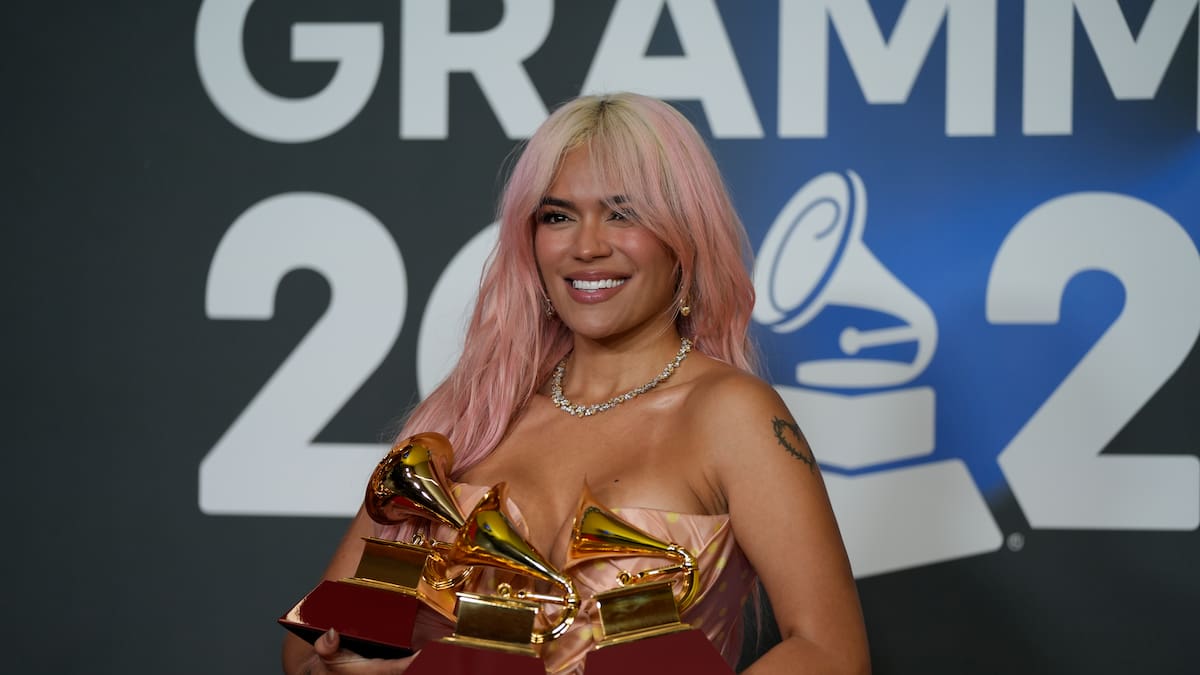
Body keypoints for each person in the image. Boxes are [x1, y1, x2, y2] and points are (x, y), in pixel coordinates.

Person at [282, 92, 870, 675]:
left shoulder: (732, 414)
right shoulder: (472, 409)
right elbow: (312, 644)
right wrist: (336, 666)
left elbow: (831, 653)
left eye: (624, 214)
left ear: (684, 238)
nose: (587, 247)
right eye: (558, 216)